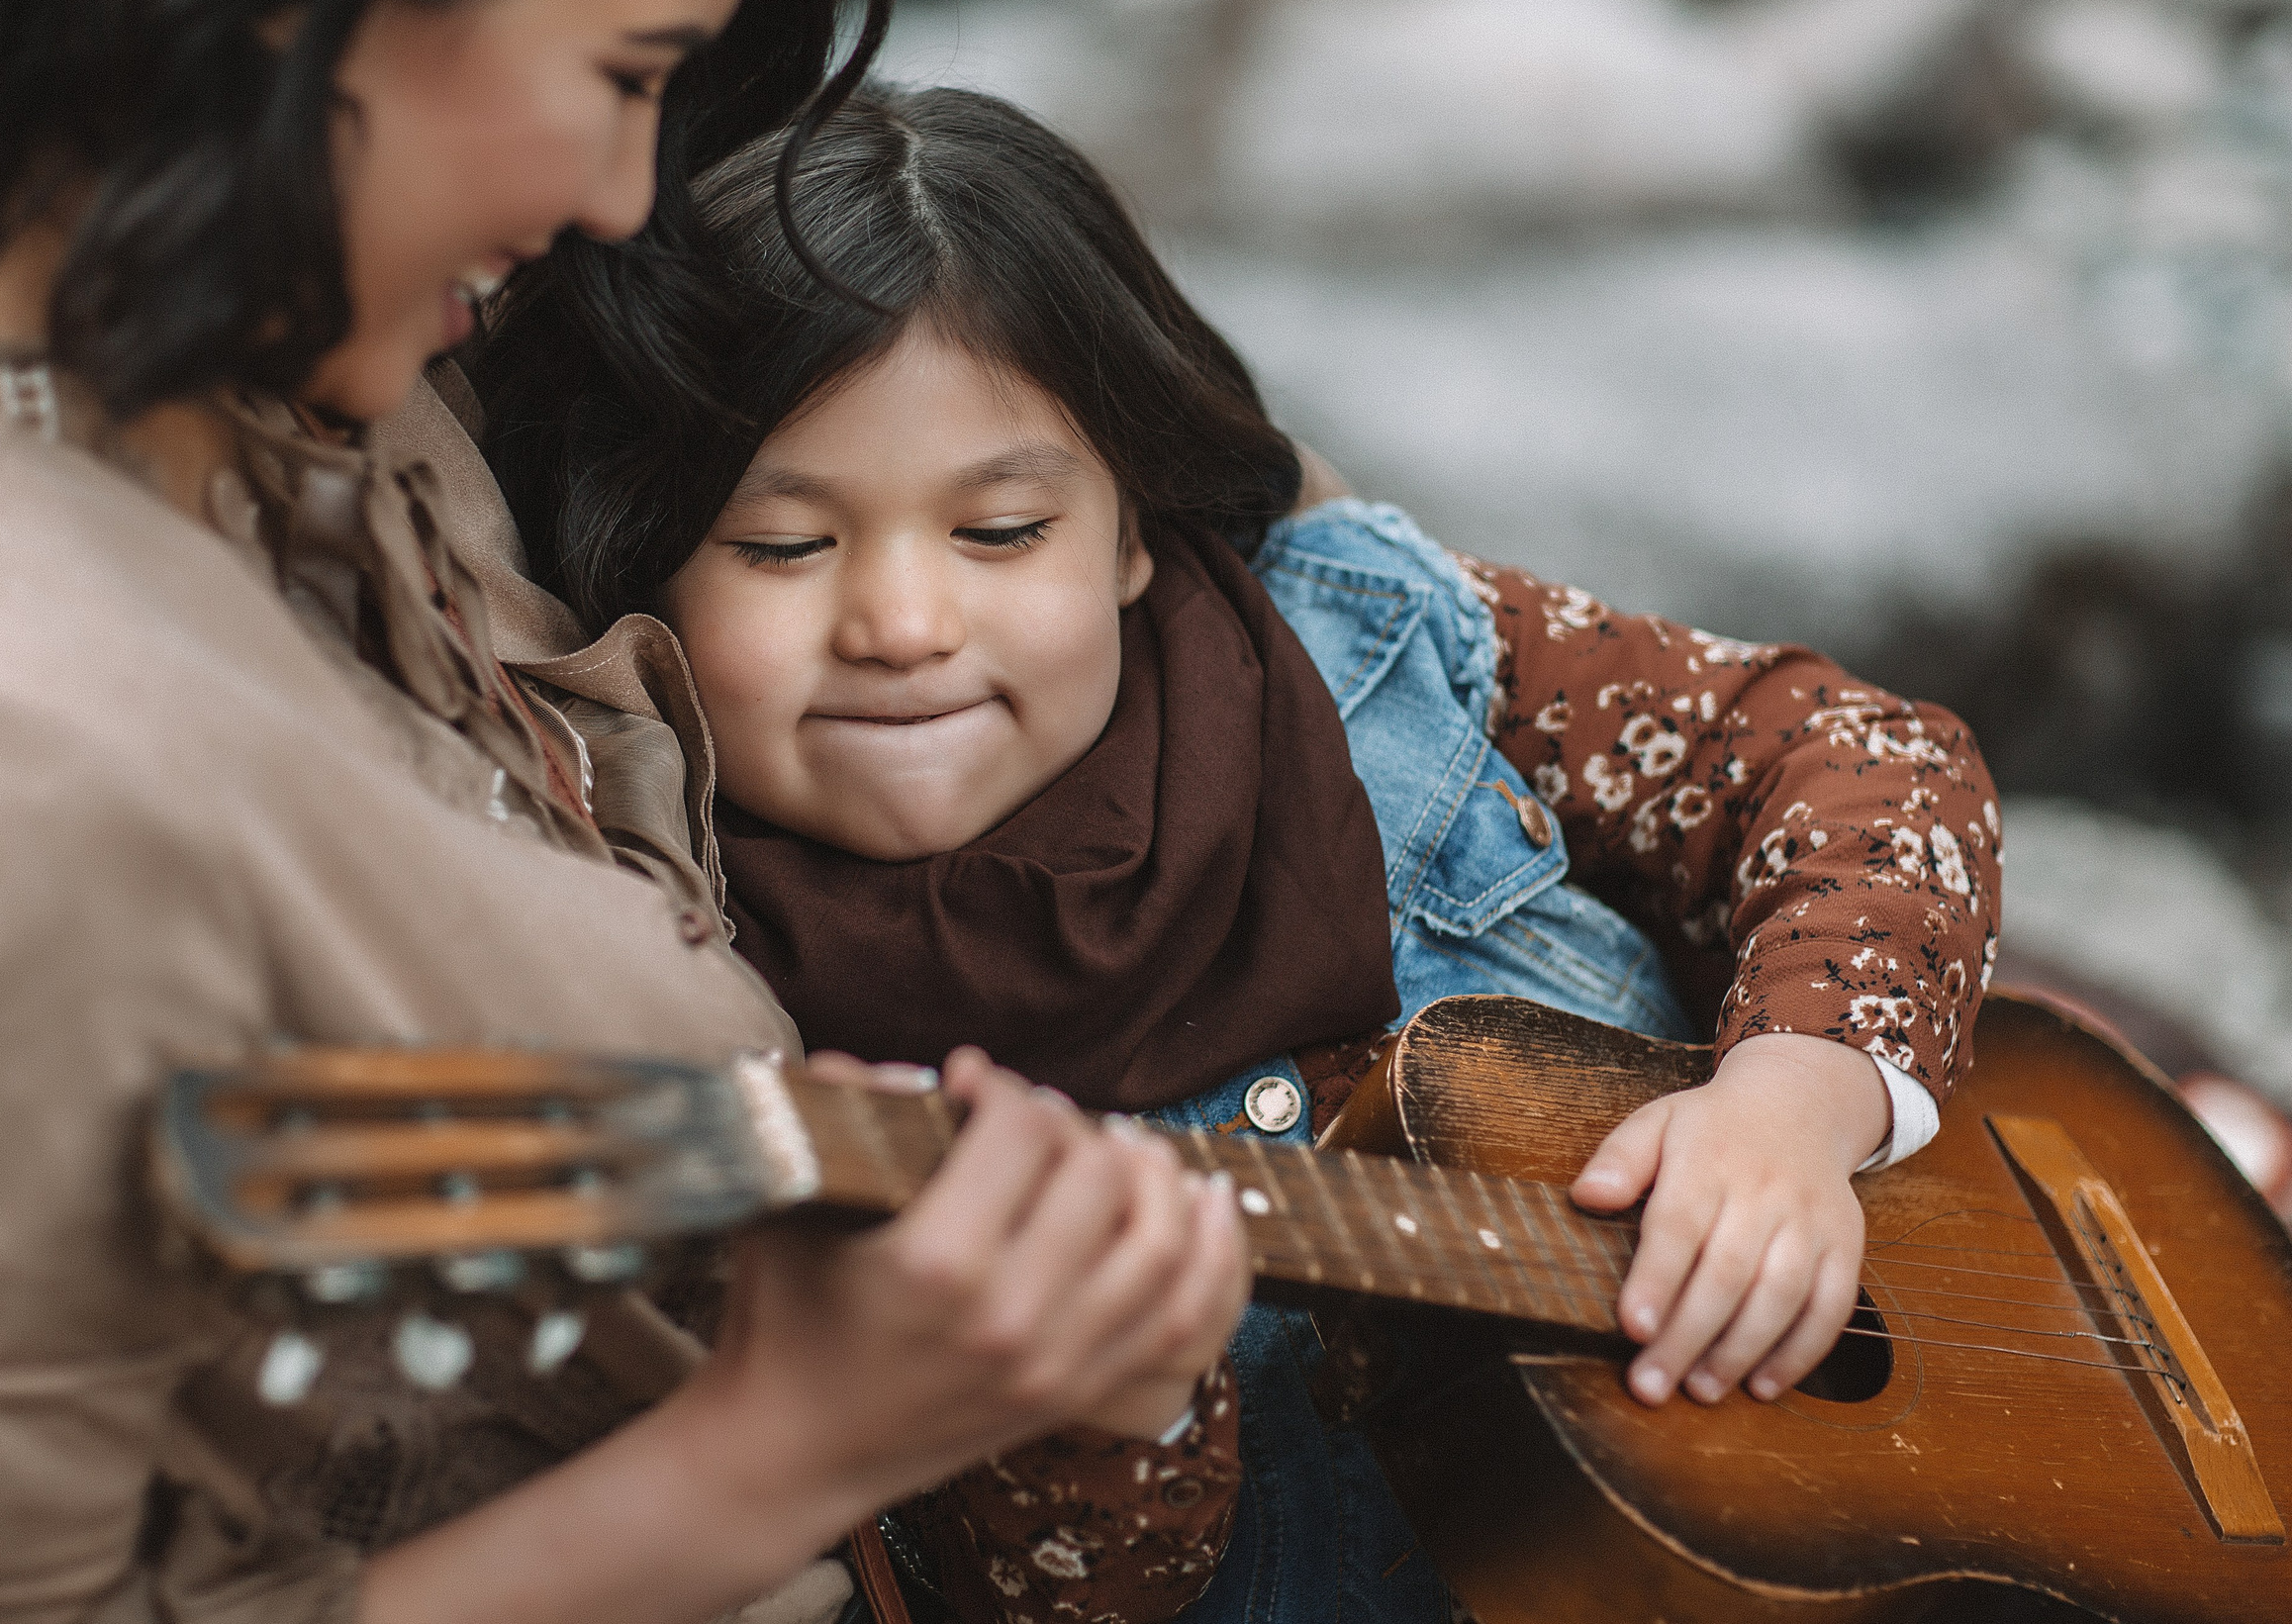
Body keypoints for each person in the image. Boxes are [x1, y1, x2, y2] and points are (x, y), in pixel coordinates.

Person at [0, 0, 1250, 1624]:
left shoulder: (293, 311)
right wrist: (786, 1449)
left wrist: (1614, 1044)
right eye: (624, 75)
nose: (633, 194)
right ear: (278, 9)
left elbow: (1166, 482)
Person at [466, 84, 2004, 1623]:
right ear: (645, 547)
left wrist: (1797, 1102)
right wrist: (1104, 1397)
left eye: (999, 533)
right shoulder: (707, 996)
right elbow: (1069, 1600)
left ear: (1133, 529)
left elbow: (1848, 757)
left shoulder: (1378, 645)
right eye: (786, 546)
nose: (902, 627)